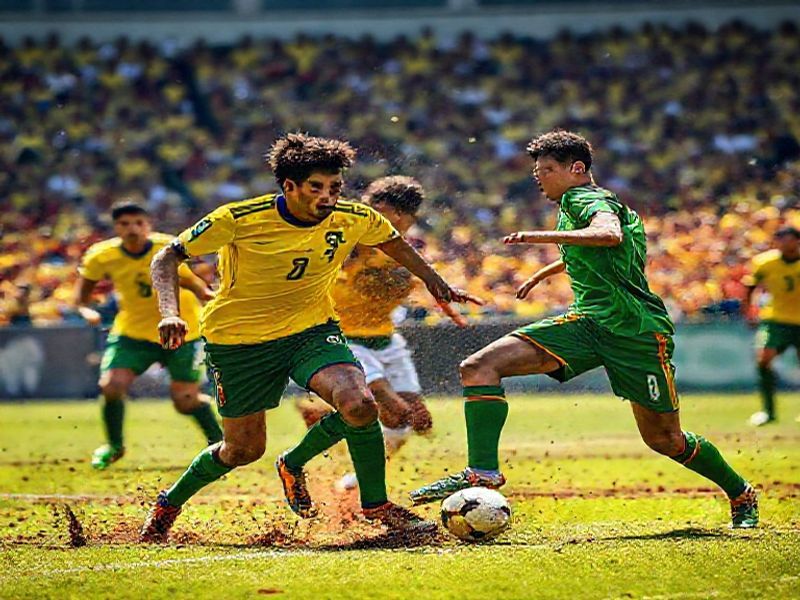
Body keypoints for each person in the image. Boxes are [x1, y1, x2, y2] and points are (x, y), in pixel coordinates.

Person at [410, 130, 758, 529]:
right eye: (536, 170)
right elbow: (605, 244)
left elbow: (607, 235)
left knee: (666, 441)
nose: (538, 178)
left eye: (547, 170)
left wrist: (537, 238)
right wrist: (545, 271)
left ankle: (741, 492)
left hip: (634, 330)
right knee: (478, 368)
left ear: (577, 169)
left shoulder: (585, 198)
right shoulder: (586, 202)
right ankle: (483, 471)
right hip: (588, 321)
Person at [141, 133, 480, 542]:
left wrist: (436, 282)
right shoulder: (238, 218)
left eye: (334, 187)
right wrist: (170, 314)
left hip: (311, 331)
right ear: (289, 187)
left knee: (359, 403)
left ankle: (375, 505)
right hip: (239, 342)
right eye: (316, 187)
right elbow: (166, 257)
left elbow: (395, 243)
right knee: (242, 451)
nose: (328, 196)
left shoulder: (354, 217)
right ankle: (168, 504)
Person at [298, 176, 436, 491]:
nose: (371, 217)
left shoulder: (406, 252)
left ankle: (352, 478)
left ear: (404, 218)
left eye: (381, 212)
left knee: (413, 419)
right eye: (369, 210)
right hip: (343, 338)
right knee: (394, 408)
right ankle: (317, 441)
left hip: (387, 340)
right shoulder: (349, 242)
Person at [77, 201, 223, 470]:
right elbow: (83, 297)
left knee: (185, 400)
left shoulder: (166, 247)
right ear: (116, 227)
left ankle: (220, 445)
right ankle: (114, 446)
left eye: (138, 223)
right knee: (111, 386)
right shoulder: (101, 255)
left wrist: (207, 295)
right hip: (133, 333)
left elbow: (190, 281)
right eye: (124, 224)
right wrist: (87, 311)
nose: (132, 229)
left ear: (148, 225)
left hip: (183, 331)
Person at [742, 226, 800, 426]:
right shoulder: (765, 262)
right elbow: (750, 287)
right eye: (780, 239)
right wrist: (748, 311)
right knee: (764, 357)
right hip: (777, 319)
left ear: (797, 241)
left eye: (788, 239)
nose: (783, 244)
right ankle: (768, 411)